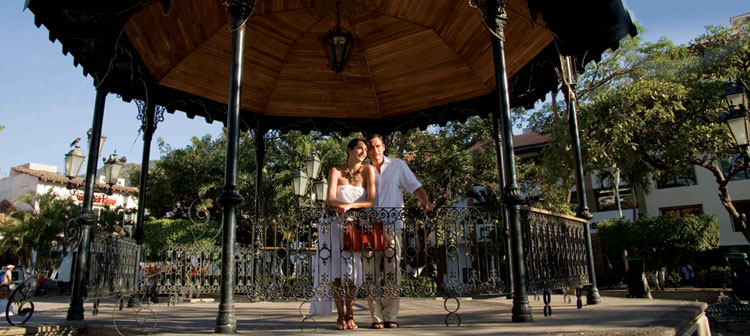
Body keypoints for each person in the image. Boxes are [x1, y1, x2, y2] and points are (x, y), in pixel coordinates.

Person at [365, 133, 434, 329]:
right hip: (369, 226)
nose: (375, 150)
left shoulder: (397, 165)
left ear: (384, 147)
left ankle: (390, 315)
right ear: (368, 150)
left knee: (392, 271)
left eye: (378, 146)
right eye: (371, 147)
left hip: (392, 225)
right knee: (370, 274)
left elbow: (415, 186)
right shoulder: (363, 170)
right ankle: (376, 317)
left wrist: (425, 202)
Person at [309, 138, 377, 330]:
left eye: (365, 149)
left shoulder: (368, 171)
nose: (363, 152)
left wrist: (350, 206)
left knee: (352, 273)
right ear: (349, 150)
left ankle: (351, 314)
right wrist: (340, 206)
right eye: (359, 148)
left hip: (355, 227)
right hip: (333, 227)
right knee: (336, 272)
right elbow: (330, 199)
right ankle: (340, 316)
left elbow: (371, 200)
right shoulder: (335, 170)